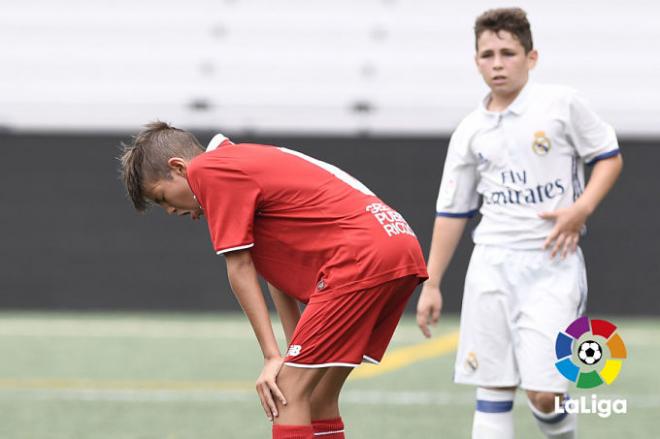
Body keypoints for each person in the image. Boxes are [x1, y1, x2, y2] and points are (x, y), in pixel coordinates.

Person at [119, 123, 428, 439]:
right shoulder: (239, 163)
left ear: (180, 168)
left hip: (363, 257)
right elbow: (278, 272)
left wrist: (271, 357)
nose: (170, 209)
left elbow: (239, 268)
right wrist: (294, 346)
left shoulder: (209, 171)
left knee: (286, 392)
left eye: (162, 197)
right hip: (396, 244)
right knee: (317, 395)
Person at [416, 7, 622, 439]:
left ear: (531, 57)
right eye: (488, 54)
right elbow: (453, 210)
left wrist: (580, 209)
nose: (497, 63)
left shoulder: (561, 105)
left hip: (552, 266)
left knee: (545, 395)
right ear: (476, 62)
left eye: (508, 53)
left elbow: (608, 156)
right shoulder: (470, 131)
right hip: (490, 266)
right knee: (492, 387)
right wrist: (432, 283)